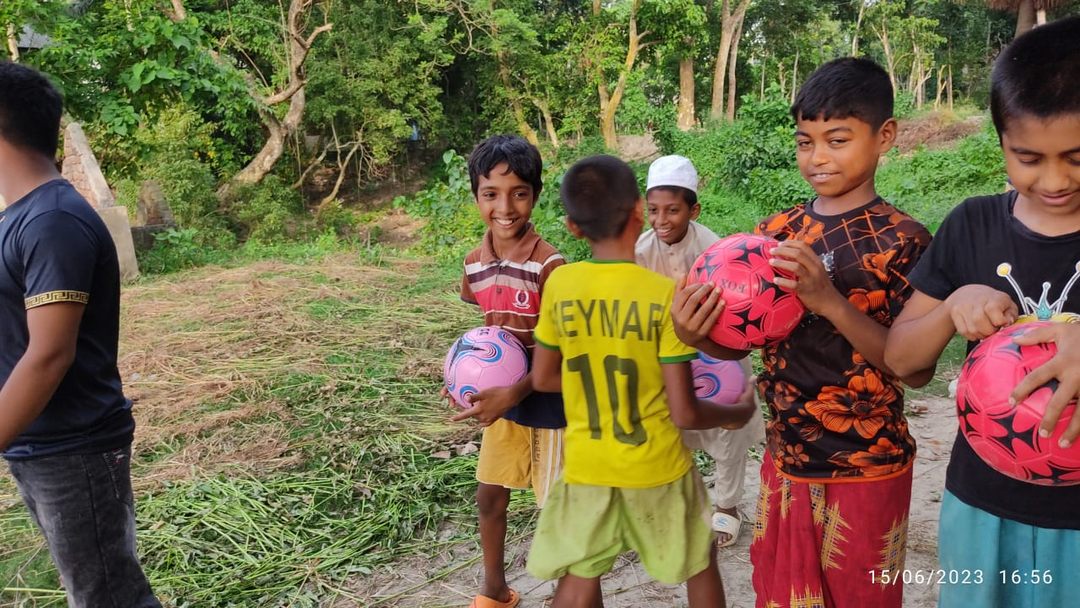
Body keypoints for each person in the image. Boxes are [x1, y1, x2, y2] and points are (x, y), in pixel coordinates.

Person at [672, 58, 932, 608]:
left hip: (869, 462)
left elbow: (914, 368)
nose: (817, 157)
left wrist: (828, 300)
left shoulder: (904, 240)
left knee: (861, 598)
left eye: (837, 140)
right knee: (784, 594)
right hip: (786, 458)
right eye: (804, 142)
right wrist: (697, 335)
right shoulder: (774, 234)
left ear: (885, 136)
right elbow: (739, 344)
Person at [884, 17, 1080, 608]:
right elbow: (903, 362)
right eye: (1029, 157)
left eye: (1076, 156)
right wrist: (952, 305)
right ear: (1000, 143)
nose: (1055, 179)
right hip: (983, 507)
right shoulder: (971, 224)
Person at [526, 154, 756, 607]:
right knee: (700, 561)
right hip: (658, 469)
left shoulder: (561, 285)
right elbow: (684, 412)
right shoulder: (663, 295)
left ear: (572, 227)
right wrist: (735, 412)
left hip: (588, 468)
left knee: (579, 575)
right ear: (638, 210)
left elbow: (543, 377)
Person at [0, 62, 160, 606]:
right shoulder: (19, 218)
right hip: (38, 443)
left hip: (73, 449)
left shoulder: (52, 221)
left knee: (108, 598)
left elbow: (49, 355)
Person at [447, 134, 566, 608]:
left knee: (558, 507)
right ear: (476, 196)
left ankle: (574, 595)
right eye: (490, 194)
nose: (504, 207)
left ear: (535, 195)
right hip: (502, 403)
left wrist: (514, 392)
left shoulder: (551, 265)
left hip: (550, 400)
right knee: (489, 496)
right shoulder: (473, 265)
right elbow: (485, 337)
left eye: (518, 193)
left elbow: (565, 352)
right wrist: (462, 380)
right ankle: (495, 589)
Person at [634, 154, 763, 546]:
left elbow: (735, 306)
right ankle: (679, 500)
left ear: (694, 210)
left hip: (718, 350)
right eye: (653, 210)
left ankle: (727, 506)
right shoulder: (640, 252)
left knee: (727, 430)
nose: (661, 220)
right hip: (667, 355)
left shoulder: (716, 250)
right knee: (668, 425)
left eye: (672, 210)